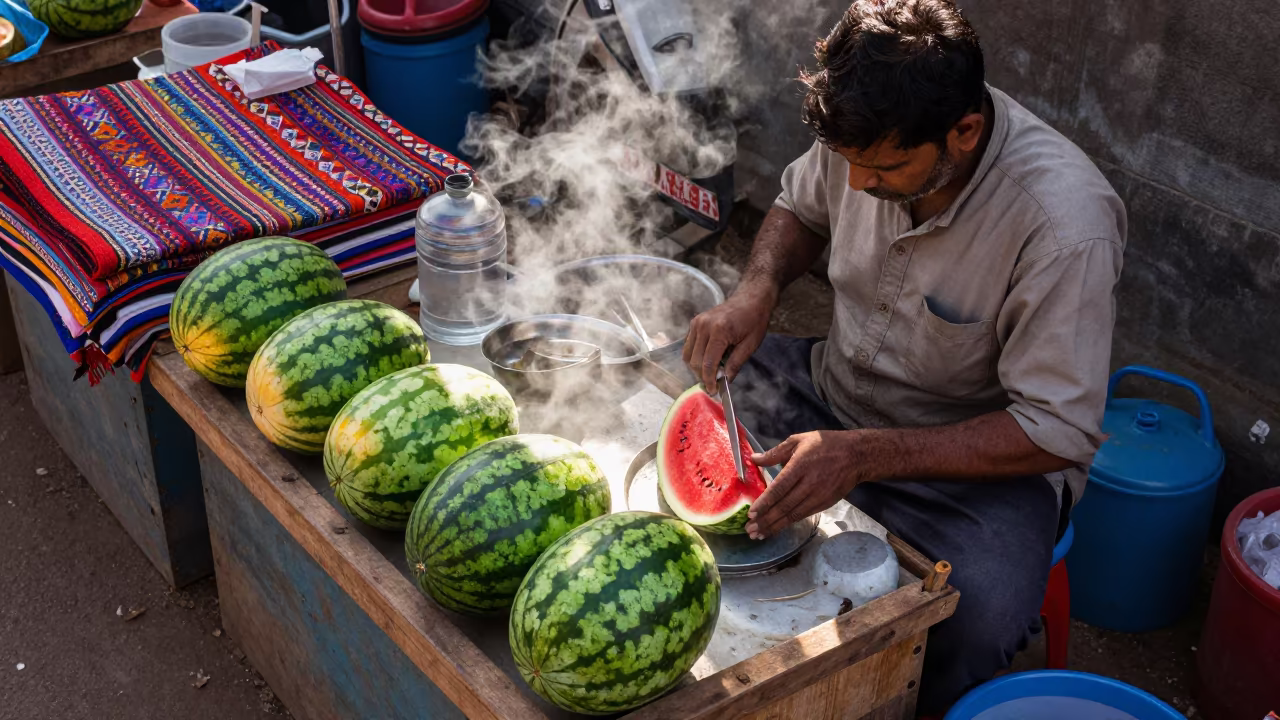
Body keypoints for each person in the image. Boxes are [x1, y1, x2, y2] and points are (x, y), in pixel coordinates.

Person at [681, 0, 1125, 714]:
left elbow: (1057, 429)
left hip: (977, 473)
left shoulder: (1064, 226)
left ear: (965, 131)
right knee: (684, 394)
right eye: (848, 164)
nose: (858, 185)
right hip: (830, 390)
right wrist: (757, 289)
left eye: (884, 168)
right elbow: (801, 207)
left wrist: (862, 456)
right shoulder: (866, 129)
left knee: (970, 625)